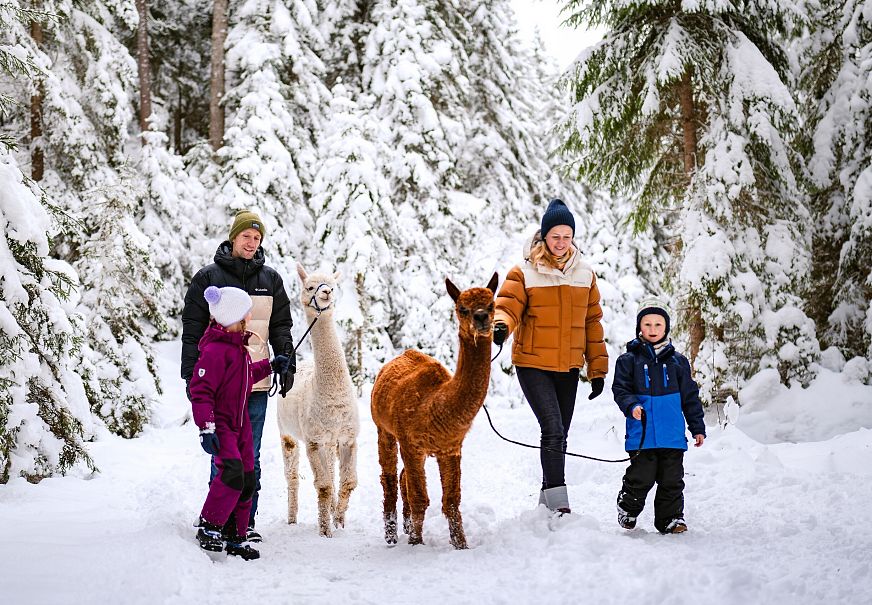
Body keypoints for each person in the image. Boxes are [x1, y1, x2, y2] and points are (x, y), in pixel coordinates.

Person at [182, 209, 294, 542]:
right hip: (220, 387)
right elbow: (192, 330)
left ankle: (244, 524)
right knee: (224, 455)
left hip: (255, 382)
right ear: (234, 237)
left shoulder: (271, 280)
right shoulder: (208, 278)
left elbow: (281, 326)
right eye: (246, 235)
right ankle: (216, 521)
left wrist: (285, 360)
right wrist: (192, 376)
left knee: (251, 457)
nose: (252, 242)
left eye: (257, 238)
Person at [493, 198, 608, 514]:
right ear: (544, 237)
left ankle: (547, 501)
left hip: (568, 367)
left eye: (566, 236)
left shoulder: (585, 274)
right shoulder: (525, 272)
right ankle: (560, 507)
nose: (561, 242)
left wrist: (597, 369)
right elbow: (507, 306)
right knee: (553, 428)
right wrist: (501, 326)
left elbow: (592, 323)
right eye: (555, 236)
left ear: (573, 237)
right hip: (532, 364)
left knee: (560, 435)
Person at [190, 286, 291, 559]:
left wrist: (271, 365)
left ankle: (237, 533)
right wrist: (207, 427)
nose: (249, 315)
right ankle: (210, 525)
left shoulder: (238, 347)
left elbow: (246, 376)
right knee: (231, 473)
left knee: (247, 477)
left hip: (241, 422)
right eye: (246, 311)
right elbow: (200, 392)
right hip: (221, 423)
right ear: (234, 315)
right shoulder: (214, 351)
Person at [611, 297, 706, 534]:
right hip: (642, 434)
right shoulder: (628, 360)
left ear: (666, 327)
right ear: (639, 327)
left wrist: (697, 427)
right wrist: (631, 405)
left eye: (658, 325)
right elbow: (620, 390)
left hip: (672, 435)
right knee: (642, 476)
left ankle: (670, 519)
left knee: (672, 480)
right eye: (647, 324)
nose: (653, 330)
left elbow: (690, 396)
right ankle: (628, 508)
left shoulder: (678, 362)